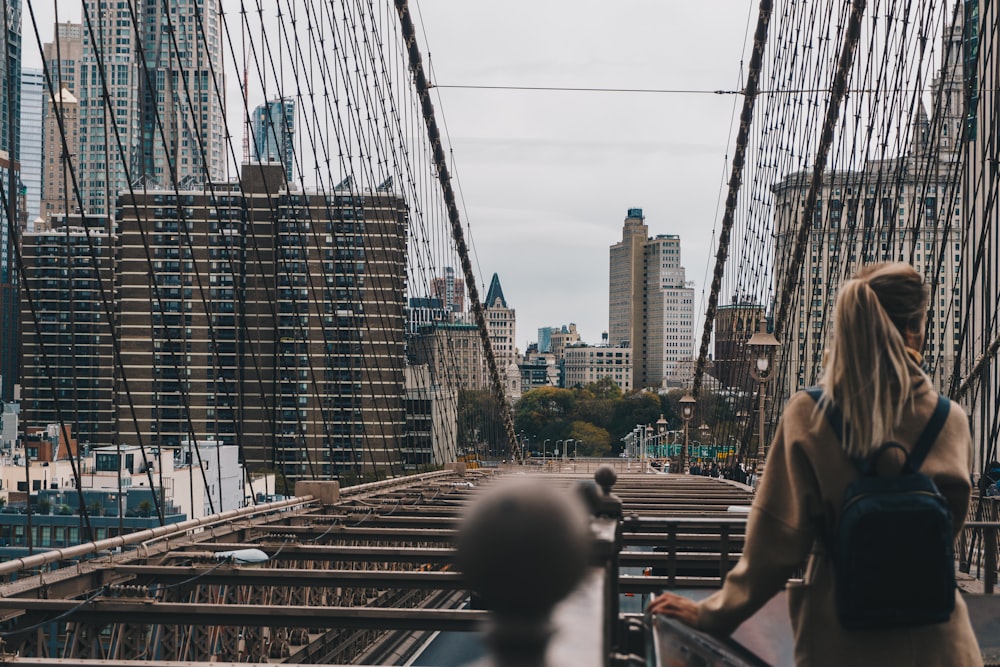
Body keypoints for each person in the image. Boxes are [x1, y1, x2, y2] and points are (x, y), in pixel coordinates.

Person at [647, 263, 981, 667]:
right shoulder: (951, 420)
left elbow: (773, 551)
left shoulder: (810, 415)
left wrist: (711, 613)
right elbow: (943, 534)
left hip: (843, 639)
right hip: (944, 644)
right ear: (916, 328)